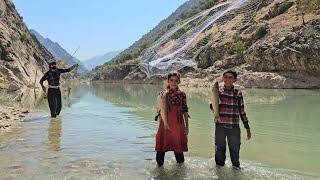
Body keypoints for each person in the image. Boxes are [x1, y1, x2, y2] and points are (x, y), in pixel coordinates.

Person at [211, 69, 251, 169]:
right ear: (222, 78)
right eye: (225, 77)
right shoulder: (218, 91)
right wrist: (213, 98)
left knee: (235, 150)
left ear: (235, 80)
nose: (227, 79)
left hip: (234, 127)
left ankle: (236, 170)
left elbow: (242, 112)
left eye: (230, 77)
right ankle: (219, 171)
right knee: (219, 150)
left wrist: (247, 128)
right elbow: (212, 107)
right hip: (220, 126)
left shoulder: (238, 93)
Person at [155, 72, 189, 167]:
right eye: (171, 80)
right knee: (161, 150)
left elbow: (185, 111)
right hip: (164, 125)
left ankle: (180, 174)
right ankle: (160, 173)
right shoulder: (162, 94)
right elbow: (158, 110)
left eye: (176, 81)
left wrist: (187, 126)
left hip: (178, 126)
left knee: (179, 154)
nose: (174, 83)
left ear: (179, 81)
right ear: (168, 81)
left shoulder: (182, 94)